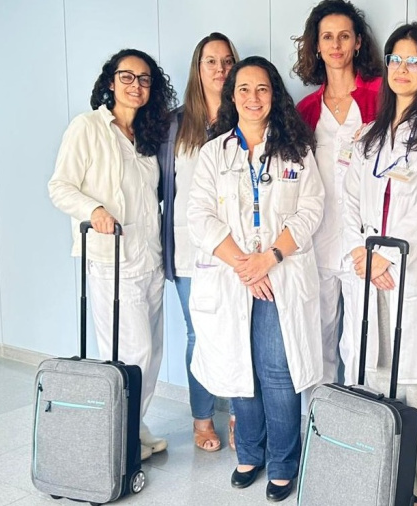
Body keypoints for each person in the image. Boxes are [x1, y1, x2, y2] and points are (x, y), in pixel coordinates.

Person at [187, 56, 324, 502]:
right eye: (243, 88)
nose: (252, 97)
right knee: (238, 365)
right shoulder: (214, 153)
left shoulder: (295, 150)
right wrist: (245, 266)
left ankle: (283, 462)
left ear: (274, 95)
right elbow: (199, 216)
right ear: (232, 96)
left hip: (279, 275)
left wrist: (269, 258)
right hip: (235, 277)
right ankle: (250, 453)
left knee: (277, 371)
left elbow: (311, 209)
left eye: (262, 88)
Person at [344, 23, 417, 506]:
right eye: (395, 59)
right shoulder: (369, 134)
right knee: (372, 371)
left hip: (411, 272)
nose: (402, 69)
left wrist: (382, 256)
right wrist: (362, 252)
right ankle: (380, 477)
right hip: (368, 270)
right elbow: (350, 200)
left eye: (414, 61)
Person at [48, 49, 176, 462]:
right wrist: (95, 210)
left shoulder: (147, 136)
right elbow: (60, 186)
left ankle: (132, 426)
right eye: (127, 77)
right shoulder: (87, 128)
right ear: (110, 81)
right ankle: (118, 438)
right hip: (111, 259)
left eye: (144, 79)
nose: (136, 85)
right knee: (131, 352)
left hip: (149, 257)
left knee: (152, 353)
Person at [293, 0, 383, 387]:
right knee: (319, 344)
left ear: (358, 42)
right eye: (327, 37)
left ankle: (361, 421)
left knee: (363, 347)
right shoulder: (305, 110)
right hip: (318, 240)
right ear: (316, 45)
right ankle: (319, 420)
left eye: (344, 36)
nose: (335, 45)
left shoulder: (381, 96)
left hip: (363, 242)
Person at [158, 32, 240, 453]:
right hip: (189, 247)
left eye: (227, 61)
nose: (220, 69)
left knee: (238, 332)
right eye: (211, 61)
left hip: (236, 248)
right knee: (198, 335)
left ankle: (240, 417)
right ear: (198, 68)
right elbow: (160, 186)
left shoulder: (245, 114)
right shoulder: (174, 124)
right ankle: (202, 419)